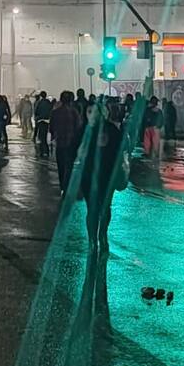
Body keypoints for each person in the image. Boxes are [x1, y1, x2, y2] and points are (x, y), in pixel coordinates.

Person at [80, 111, 122, 249]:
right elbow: (122, 151)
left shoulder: (86, 131)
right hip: (108, 176)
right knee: (105, 207)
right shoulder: (113, 130)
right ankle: (102, 235)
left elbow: (77, 152)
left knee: (91, 209)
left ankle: (92, 239)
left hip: (89, 176)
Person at [50, 91, 82, 194]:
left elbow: (51, 128)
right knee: (70, 165)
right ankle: (68, 185)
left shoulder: (55, 112)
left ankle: (63, 186)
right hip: (72, 144)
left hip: (60, 143)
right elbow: (79, 127)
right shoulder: (74, 112)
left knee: (61, 166)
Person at [34, 91, 52, 158]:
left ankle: (42, 152)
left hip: (41, 121)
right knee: (45, 136)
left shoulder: (40, 103)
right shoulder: (49, 103)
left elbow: (36, 112)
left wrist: (37, 118)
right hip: (47, 121)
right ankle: (46, 151)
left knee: (42, 137)